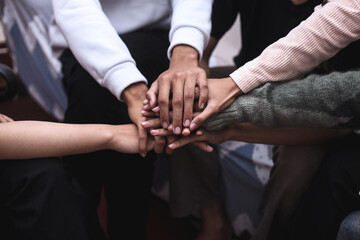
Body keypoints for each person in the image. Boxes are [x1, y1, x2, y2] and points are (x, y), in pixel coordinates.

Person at [50, 0, 212, 239]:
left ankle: (106, 226)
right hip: (81, 36)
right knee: (95, 92)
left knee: (125, 106)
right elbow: (76, 8)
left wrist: (185, 56)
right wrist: (132, 92)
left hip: (156, 34)